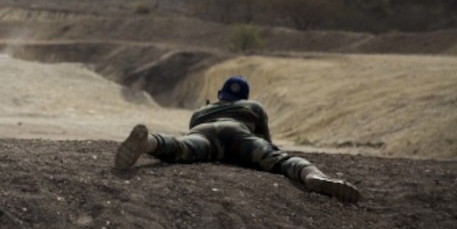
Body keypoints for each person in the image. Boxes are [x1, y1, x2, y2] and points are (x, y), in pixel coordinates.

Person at [113, 75, 361, 203]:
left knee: (181, 148)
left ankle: (149, 143)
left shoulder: (200, 112)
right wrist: (261, 154)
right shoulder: (253, 106)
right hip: (239, 132)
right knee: (281, 160)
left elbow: (192, 132)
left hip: (205, 132)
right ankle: (314, 176)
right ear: (244, 96)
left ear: (220, 95)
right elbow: (266, 139)